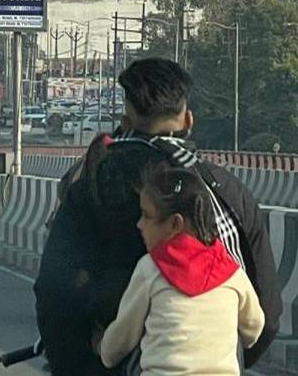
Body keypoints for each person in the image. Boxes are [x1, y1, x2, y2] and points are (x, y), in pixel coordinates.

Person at [35, 58, 281, 375]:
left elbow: (56, 292)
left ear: (126, 119)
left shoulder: (92, 187)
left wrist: (76, 365)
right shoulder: (223, 191)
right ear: (188, 120)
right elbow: (266, 314)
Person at [96, 164, 265, 375]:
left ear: (175, 224)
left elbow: (121, 339)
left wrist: (103, 348)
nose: (139, 224)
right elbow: (254, 327)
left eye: (146, 216)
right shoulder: (231, 271)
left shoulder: (150, 269)